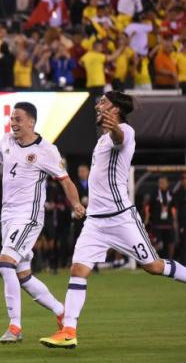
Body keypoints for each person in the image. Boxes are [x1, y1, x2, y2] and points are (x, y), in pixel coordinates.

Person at [40, 92, 186, 349]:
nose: (98, 105)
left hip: (121, 219)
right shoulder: (102, 139)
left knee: (153, 266)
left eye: (103, 102)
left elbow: (120, 138)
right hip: (95, 221)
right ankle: (69, 331)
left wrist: (115, 127)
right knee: (78, 270)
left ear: (116, 109)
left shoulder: (125, 131)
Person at [0, 102, 85, 343]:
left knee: (5, 264)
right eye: (12, 119)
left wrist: (76, 203)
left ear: (31, 122)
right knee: (23, 276)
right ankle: (62, 312)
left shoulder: (46, 150)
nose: (13, 123)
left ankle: (15, 327)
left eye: (18, 119)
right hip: (8, 217)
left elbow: (65, 180)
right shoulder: (6, 141)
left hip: (29, 217)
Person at [145, 176, 177, 259]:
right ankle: (154, 260)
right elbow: (148, 206)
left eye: (163, 183)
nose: (161, 184)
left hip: (168, 224)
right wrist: (147, 219)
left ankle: (170, 260)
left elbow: (174, 208)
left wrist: (174, 221)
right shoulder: (154, 194)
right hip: (157, 225)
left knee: (170, 243)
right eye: (160, 183)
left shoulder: (171, 194)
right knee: (158, 244)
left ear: (167, 184)